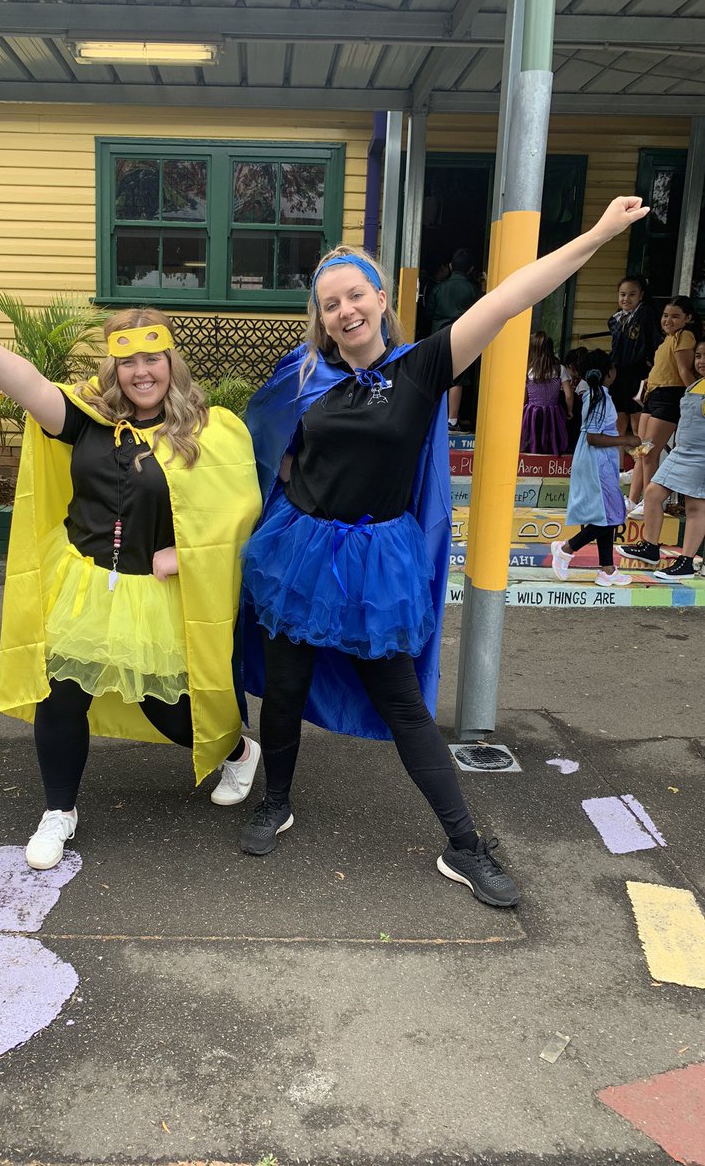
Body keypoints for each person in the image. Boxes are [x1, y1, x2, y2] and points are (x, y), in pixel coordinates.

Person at [239, 195, 649, 909]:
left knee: (403, 705)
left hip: (373, 566)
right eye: (330, 303)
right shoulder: (304, 378)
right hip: (299, 554)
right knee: (283, 687)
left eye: (354, 295)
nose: (344, 311)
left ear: (378, 300)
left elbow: (515, 293)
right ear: (321, 317)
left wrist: (599, 234)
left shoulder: (422, 367)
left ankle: (464, 846)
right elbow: (261, 455)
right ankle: (277, 799)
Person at [0, 307, 263, 869]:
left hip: (156, 596)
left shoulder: (211, 429)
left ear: (170, 361)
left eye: (151, 358)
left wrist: (187, 554)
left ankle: (236, 748)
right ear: (114, 367)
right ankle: (59, 811)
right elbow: (31, 386)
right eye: (127, 360)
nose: (141, 372)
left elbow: (240, 512)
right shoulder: (87, 418)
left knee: (172, 713)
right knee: (60, 696)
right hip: (84, 583)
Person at [550, 350, 640, 587]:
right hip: (596, 462)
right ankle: (566, 549)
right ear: (609, 373)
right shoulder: (599, 397)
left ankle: (607, 569)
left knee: (609, 514)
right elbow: (593, 437)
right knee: (607, 516)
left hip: (601, 461)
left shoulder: (598, 394)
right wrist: (626, 440)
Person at [621, 338, 705, 579]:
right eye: (698, 356)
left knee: (696, 507)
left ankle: (687, 562)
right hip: (682, 452)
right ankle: (649, 547)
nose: (701, 361)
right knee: (653, 493)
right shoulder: (695, 385)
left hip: (701, 456)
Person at [626, 296, 700, 516]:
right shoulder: (667, 339)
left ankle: (650, 502)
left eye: (676, 316)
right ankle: (632, 501)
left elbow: (684, 371)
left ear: (688, 318)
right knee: (642, 451)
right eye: (666, 315)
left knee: (649, 453)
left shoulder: (684, 336)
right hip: (653, 397)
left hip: (671, 397)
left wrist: (694, 400)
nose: (668, 320)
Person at [426, 248, 479, 430]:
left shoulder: (438, 288)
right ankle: (451, 420)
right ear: (471, 269)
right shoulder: (473, 289)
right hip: (463, 335)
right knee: (457, 378)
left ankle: (433, 417)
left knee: (438, 375)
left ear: (450, 266)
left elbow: (429, 312)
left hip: (438, 335)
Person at [608, 275, 659, 437]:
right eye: (622, 294)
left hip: (638, 373)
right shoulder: (616, 319)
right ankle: (618, 463)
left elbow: (653, 343)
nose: (626, 299)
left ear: (641, 295)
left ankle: (640, 461)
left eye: (632, 294)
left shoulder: (645, 313)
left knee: (637, 423)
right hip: (618, 374)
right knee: (619, 423)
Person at [520, 331, 570, 455]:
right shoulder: (560, 369)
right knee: (551, 438)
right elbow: (568, 395)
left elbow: (524, 395)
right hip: (553, 412)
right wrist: (569, 411)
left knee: (532, 437)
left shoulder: (528, 370)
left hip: (531, 412)